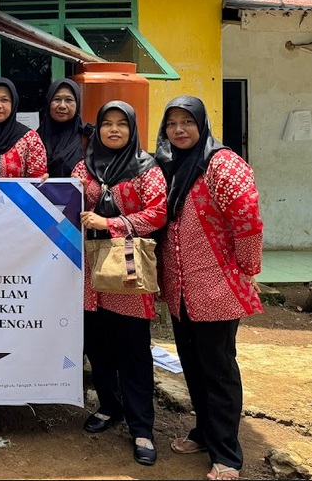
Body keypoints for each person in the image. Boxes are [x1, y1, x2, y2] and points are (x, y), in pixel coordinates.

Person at [155, 96, 264, 481]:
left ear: (202, 124)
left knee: (218, 369)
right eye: (172, 123)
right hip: (181, 288)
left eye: (187, 122)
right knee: (193, 364)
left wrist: (247, 269)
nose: (179, 130)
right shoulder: (170, 165)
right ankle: (204, 433)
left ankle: (227, 454)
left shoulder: (222, 164)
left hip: (217, 286)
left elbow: (248, 221)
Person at [72, 101, 167, 467]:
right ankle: (110, 405)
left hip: (127, 270)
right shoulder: (85, 166)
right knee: (97, 345)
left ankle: (142, 427)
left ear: (132, 129)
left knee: (133, 350)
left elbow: (158, 213)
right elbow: (69, 197)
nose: (113, 130)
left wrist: (110, 224)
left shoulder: (147, 167)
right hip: (89, 272)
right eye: (106, 123)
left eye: (121, 124)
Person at [0, 77, 48, 178]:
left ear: (13, 103)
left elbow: (37, 181)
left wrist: (41, 180)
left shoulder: (30, 139)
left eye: (4, 100)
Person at [38, 78, 94, 179]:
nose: (62, 106)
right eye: (57, 99)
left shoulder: (89, 136)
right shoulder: (34, 139)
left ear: (77, 104)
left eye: (69, 100)